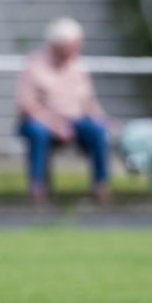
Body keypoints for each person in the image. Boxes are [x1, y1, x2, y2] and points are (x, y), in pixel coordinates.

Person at [15, 17, 112, 203]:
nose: (78, 49)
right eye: (74, 45)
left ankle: (101, 185)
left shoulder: (79, 66)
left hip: (75, 120)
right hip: (41, 121)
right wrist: (55, 124)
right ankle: (38, 186)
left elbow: (89, 103)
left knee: (98, 131)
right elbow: (27, 105)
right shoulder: (34, 65)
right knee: (38, 133)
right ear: (57, 46)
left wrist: (103, 119)